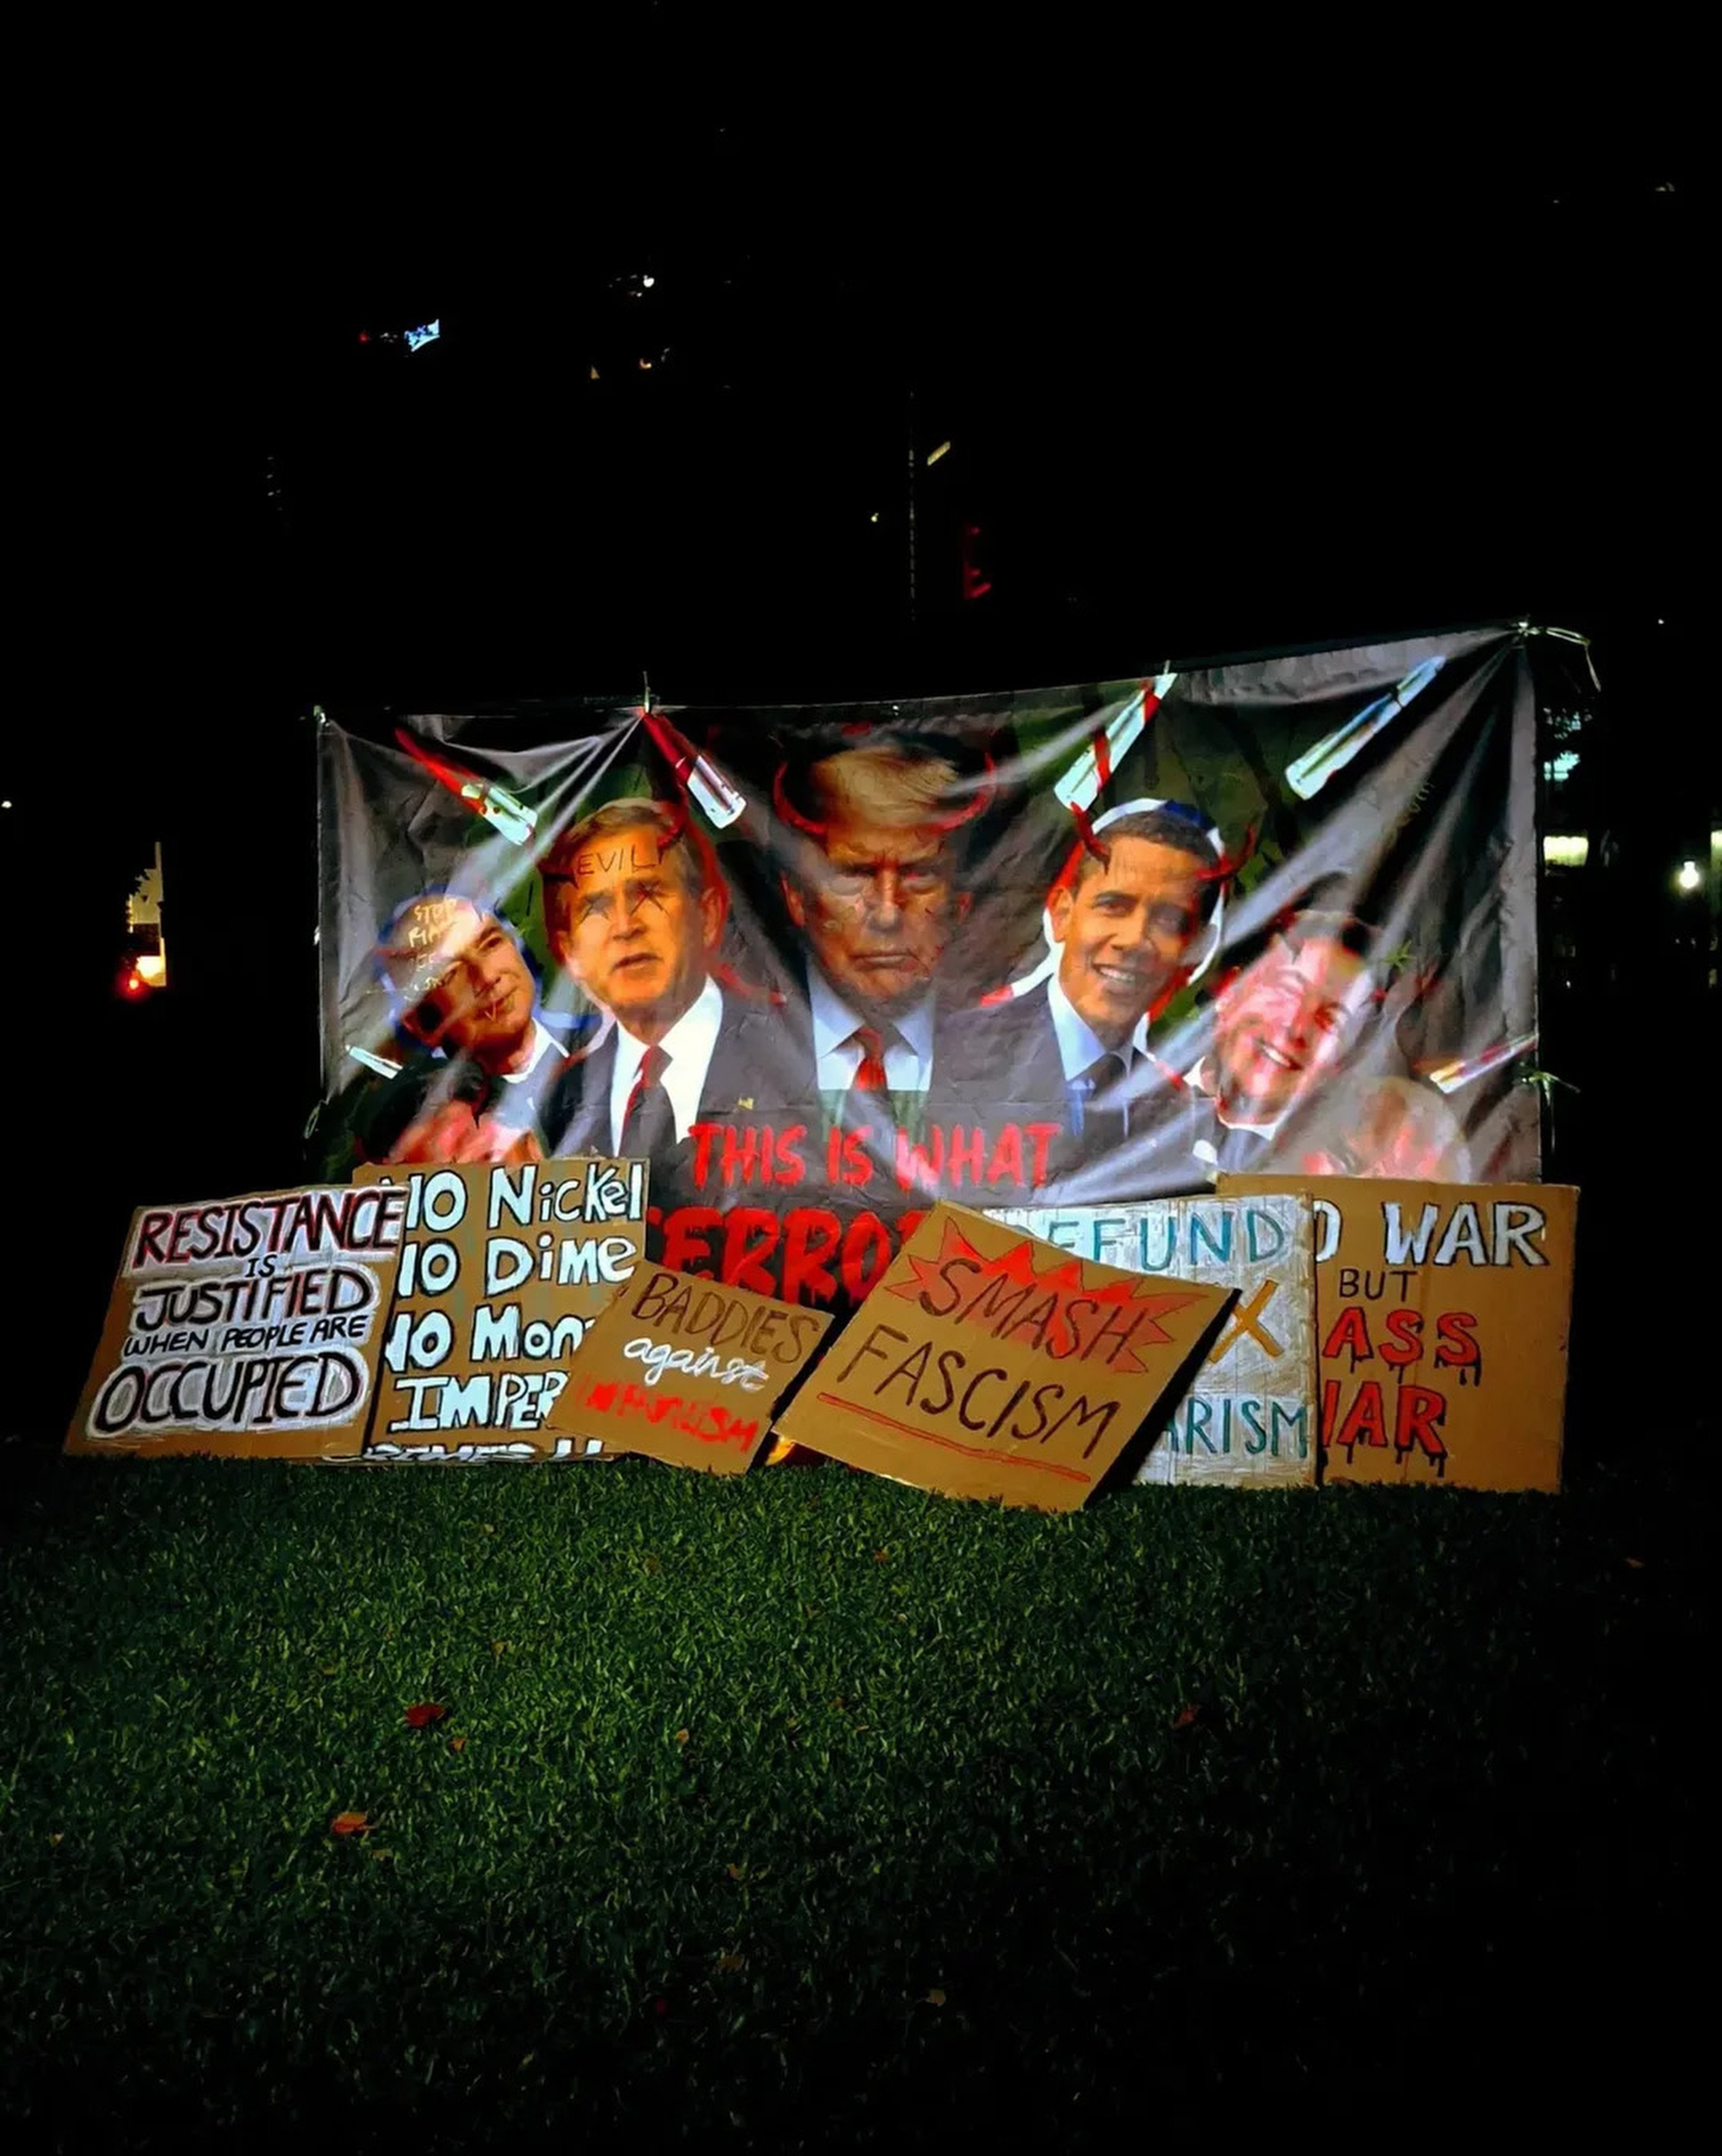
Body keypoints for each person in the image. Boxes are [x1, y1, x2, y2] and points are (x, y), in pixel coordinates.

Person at [934, 800, 1226, 1175]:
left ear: (1193, 949)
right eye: (1114, 906)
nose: (1135, 939)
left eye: (1168, 921)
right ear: (1061, 915)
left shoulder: (1173, 1113)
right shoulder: (947, 1057)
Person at [539, 798, 779, 1162]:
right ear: (570, 953)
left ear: (708, 916)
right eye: (596, 908)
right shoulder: (562, 1094)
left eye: (648, 893)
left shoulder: (790, 1049)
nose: (624, 927)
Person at [774, 737, 982, 1132]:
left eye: (919, 874)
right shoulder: (719, 1054)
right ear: (796, 897)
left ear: (961, 903)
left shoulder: (1024, 1055)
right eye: (854, 875)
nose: (887, 913)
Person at [314, 893, 568, 1173]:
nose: (486, 976)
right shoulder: (417, 1123)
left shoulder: (610, 1048)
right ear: (419, 1021)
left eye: (491, 944)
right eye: (450, 974)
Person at [1186, 907, 1383, 1175]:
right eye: (1289, 992)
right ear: (1230, 992)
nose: (1297, 1030)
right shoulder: (1127, 1089)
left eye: (1331, 1022)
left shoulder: (1327, 1179)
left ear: (1343, 1062)